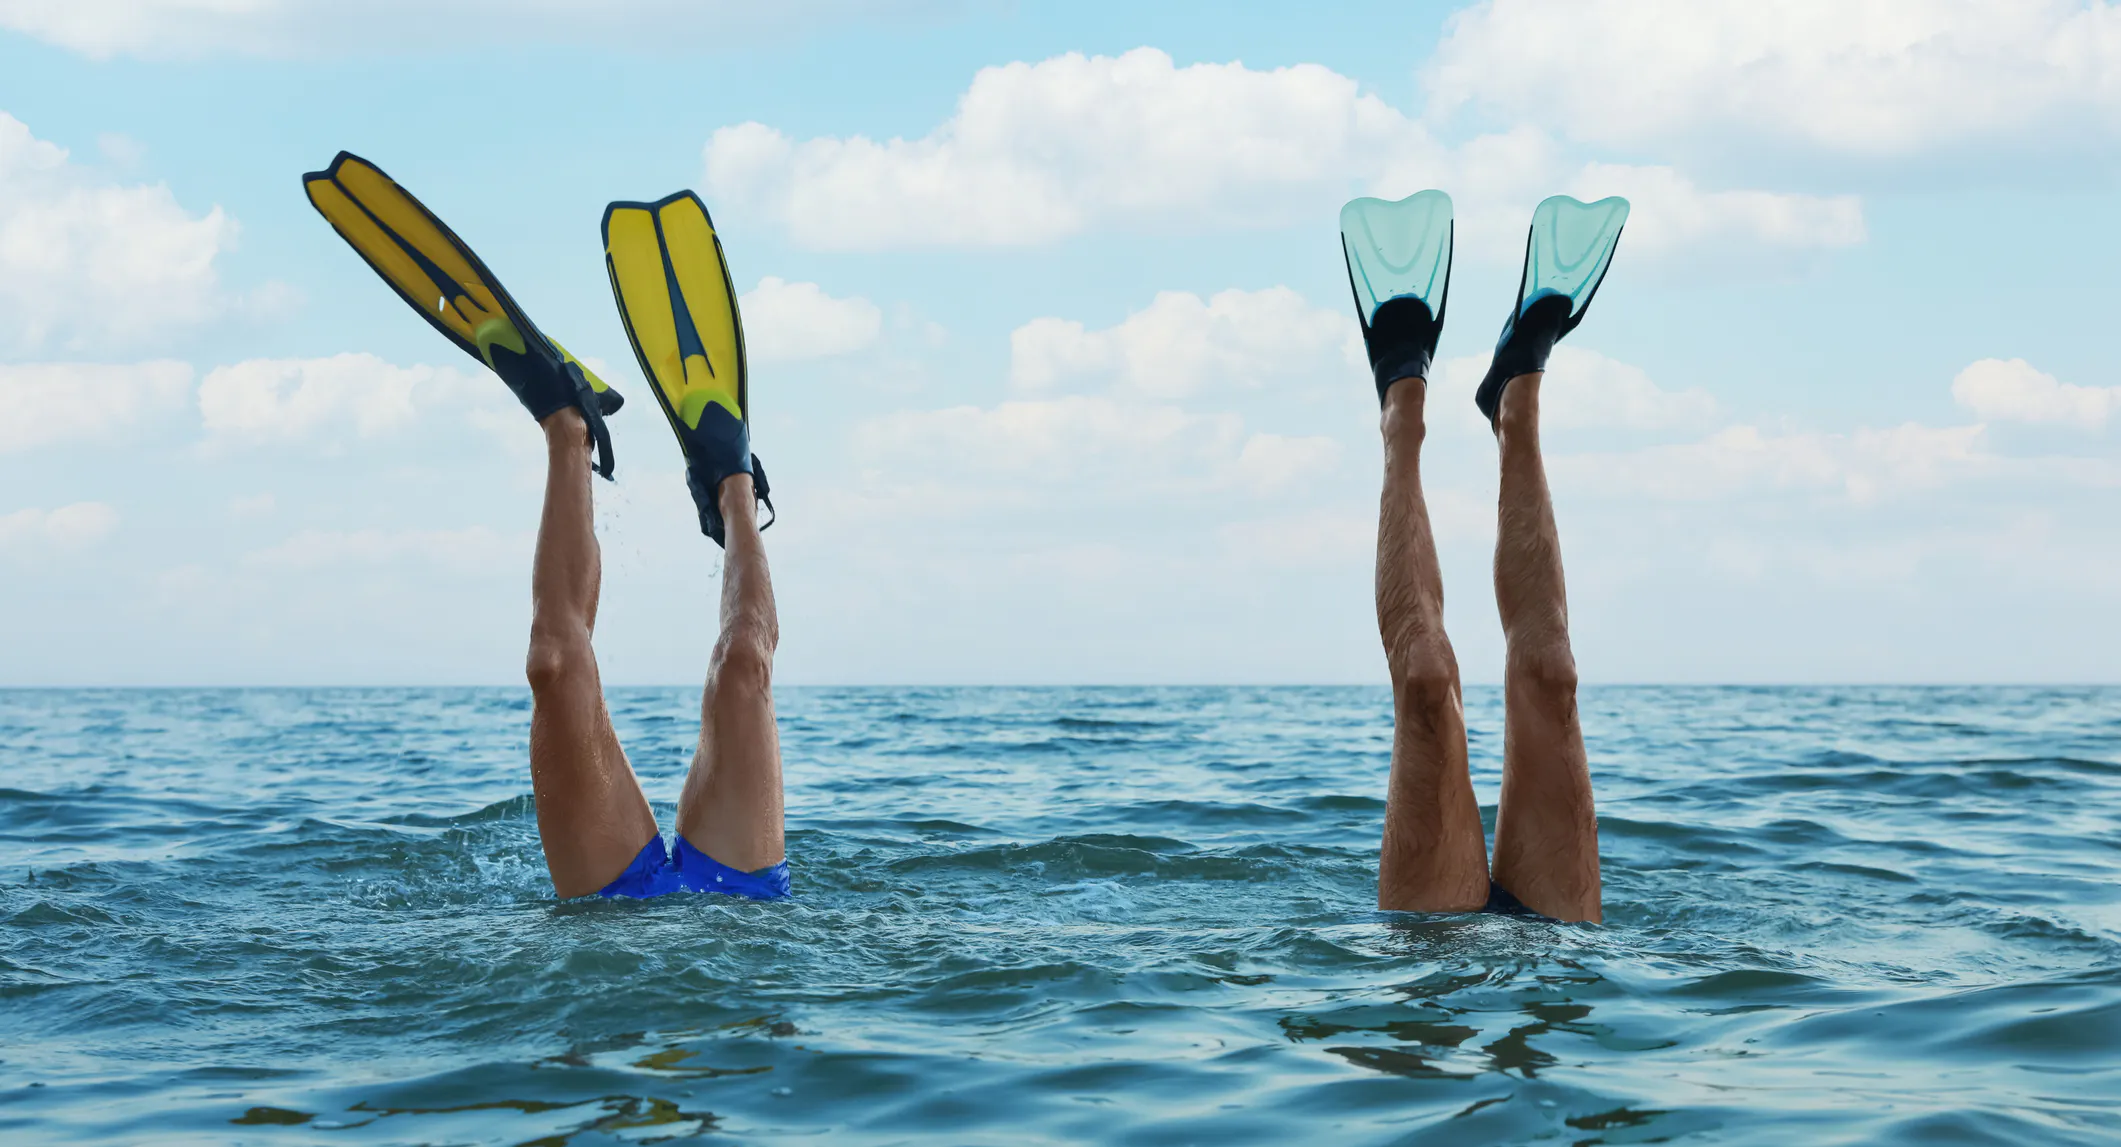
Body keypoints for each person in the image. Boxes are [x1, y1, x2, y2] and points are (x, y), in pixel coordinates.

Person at [304, 155, 788, 900]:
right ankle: (622, 443)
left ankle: (702, 474)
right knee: (556, 665)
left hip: (678, 912)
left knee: (741, 665)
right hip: (695, 902)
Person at [1341, 192, 1631, 923]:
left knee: (1551, 675)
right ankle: (1403, 408)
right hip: (1456, 948)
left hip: (1504, 947)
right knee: (1426, 679)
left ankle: (1510, 399)